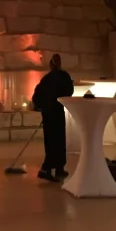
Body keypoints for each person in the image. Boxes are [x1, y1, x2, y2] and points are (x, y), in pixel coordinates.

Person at [32, 53, 75, 182]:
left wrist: (41, 107)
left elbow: (36, 96)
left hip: (48, 114)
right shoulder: (64, 76)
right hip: (57, 112)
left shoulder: (46, 79)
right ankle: (52, 168)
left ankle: (53, 168)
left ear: (50, 64)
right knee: (59, 140)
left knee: (51, 141)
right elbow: (69, 92)